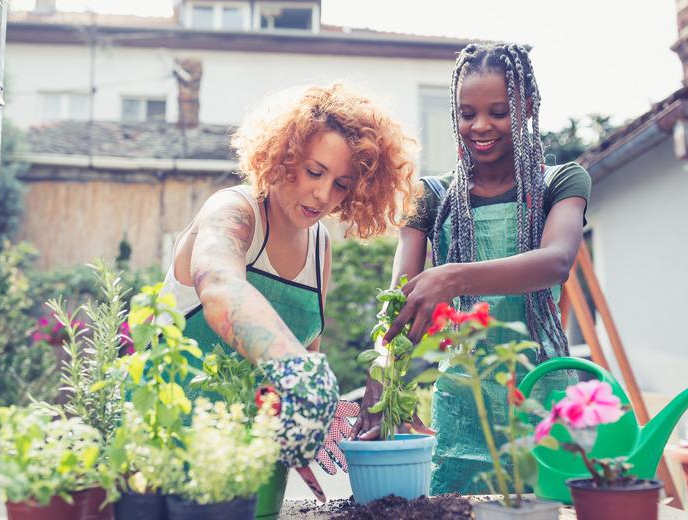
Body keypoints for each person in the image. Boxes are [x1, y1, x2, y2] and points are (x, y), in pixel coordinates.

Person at [351, 43, 592, 494]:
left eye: (498, 111)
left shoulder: (560, 182)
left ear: (526, 108)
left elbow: (556, 262)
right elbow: (398, 303)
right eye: (467, 113)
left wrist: (454, 275)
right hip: (463, 404)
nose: (480, 126)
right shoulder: (432, 196)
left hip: (542, 392)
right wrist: (382, 380)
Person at [159, 83, 417, 468]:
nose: (322, 195)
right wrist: (298, 370)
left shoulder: (319, 247)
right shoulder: (234, 210)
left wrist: (315, 417)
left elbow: (305, 356)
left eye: (341, 184)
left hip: (251, 465)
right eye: (315, 172)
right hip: (168, 451)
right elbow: (219, 286)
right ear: (285, 154)